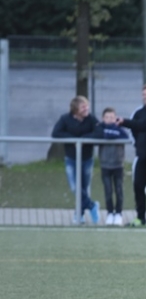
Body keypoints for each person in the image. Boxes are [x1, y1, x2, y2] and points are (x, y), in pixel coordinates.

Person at [51, 95, 100, 225]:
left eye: (87, 106)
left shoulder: (91, 119)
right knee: (75, 188)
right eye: (83, 107)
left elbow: (99, 132)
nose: (86, 108)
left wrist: (84, 139)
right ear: (75, 109)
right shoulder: (65, 119)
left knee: (84, 187)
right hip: (71, 159)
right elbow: (56, 133)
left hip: (87, 159)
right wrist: (72, 139)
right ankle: (92, 205)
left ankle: (79, 214)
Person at [118, 83, 146, 227]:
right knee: (138, 186)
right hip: (142, 157)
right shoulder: (138, 112)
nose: (145, 97)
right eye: (144, 94)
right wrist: (139, 145)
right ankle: (140, 217)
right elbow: (133, 129)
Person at [91, 107, 130, 225]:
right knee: (108, 191)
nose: (109, 119)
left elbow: (125, 137)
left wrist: (109, 134)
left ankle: (118, 213)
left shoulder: (120, 129)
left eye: (112, 117)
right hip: (105, 165)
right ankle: (109, 213)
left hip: (118, 165)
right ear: (103, 118)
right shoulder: (99, 128)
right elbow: (97, 136)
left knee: (119, 190)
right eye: (107, 117)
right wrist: (109, 134)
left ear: (115, 118)